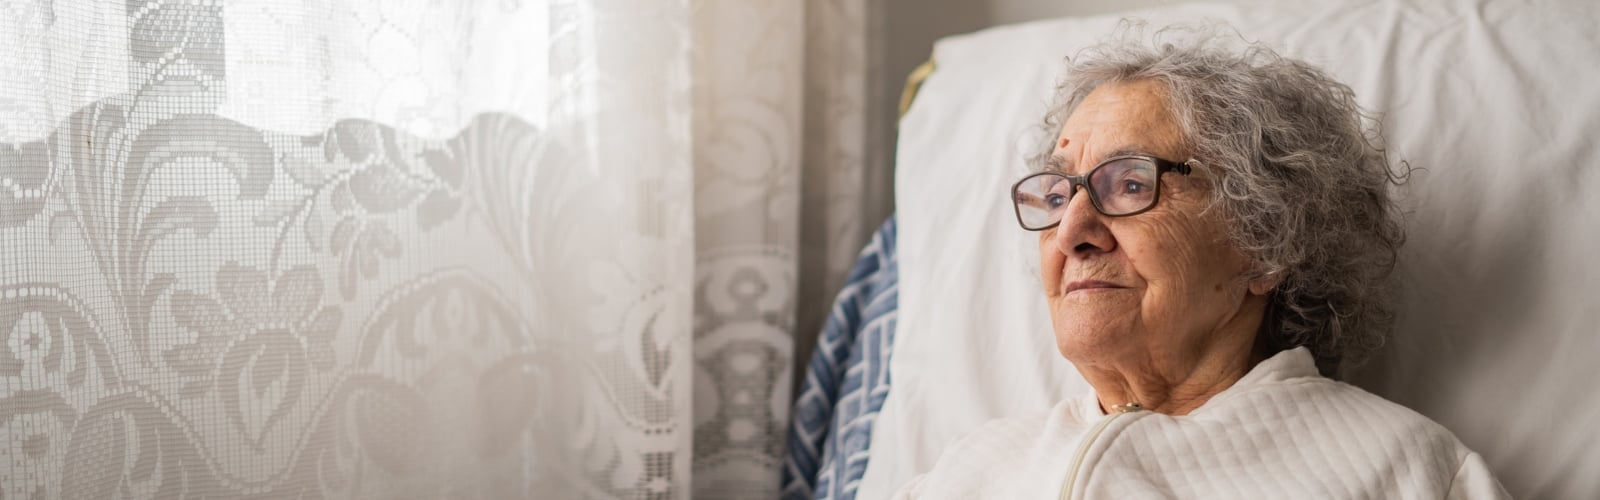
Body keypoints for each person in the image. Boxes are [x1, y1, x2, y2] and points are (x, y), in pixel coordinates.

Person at [891, 30, 1510, 499]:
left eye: (1131, 184)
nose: (1072, 232)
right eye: (1057, 195)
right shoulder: (967, 470)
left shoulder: (1408, 471)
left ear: (1266, 240)